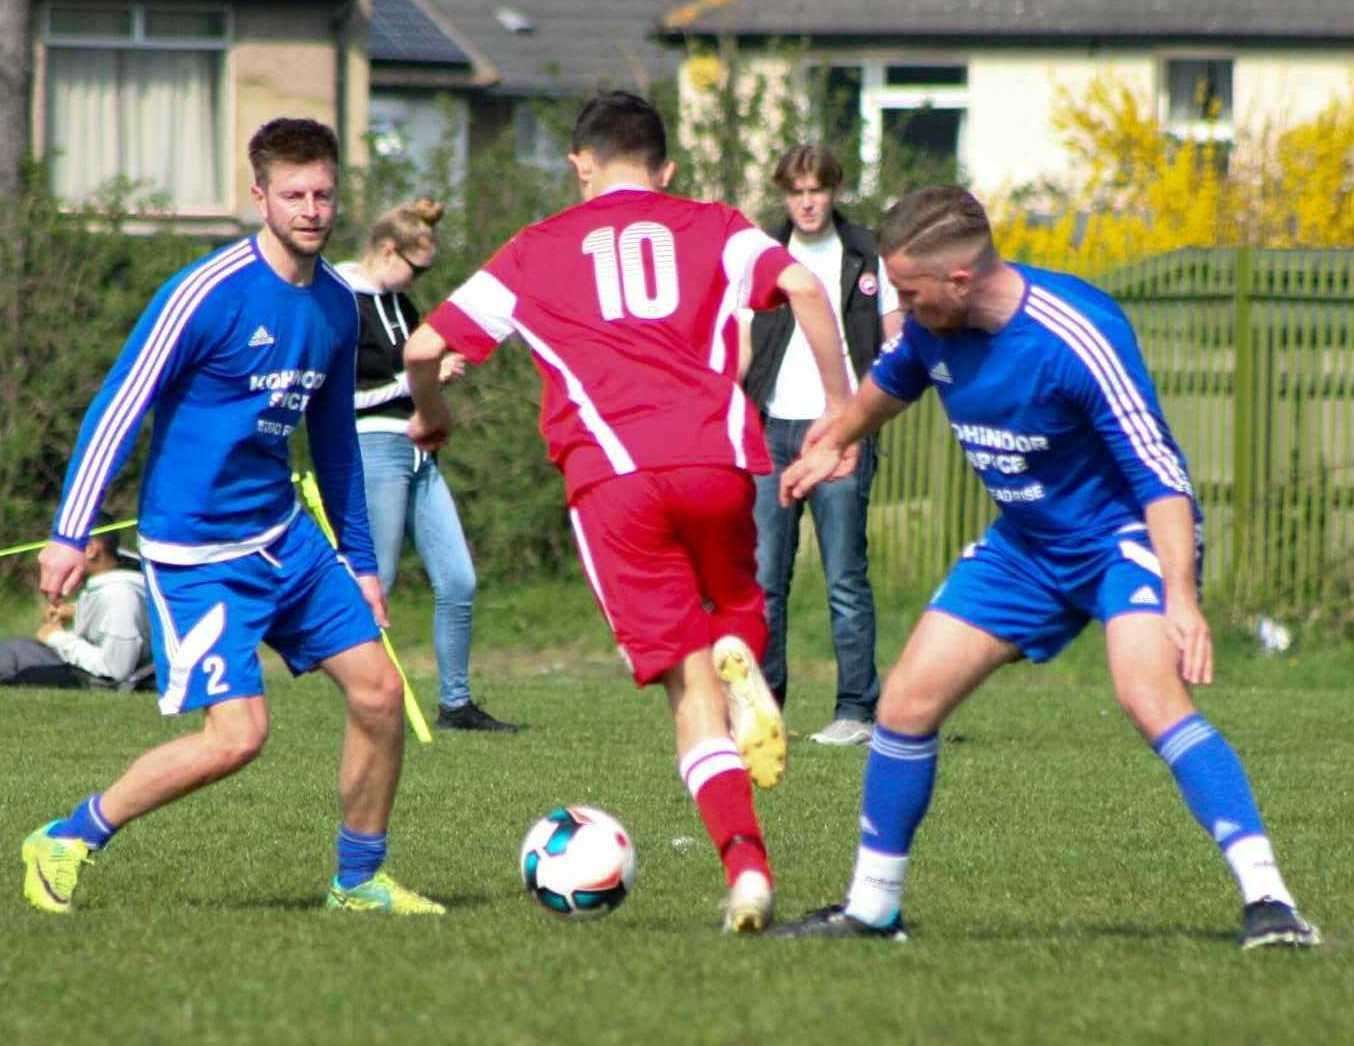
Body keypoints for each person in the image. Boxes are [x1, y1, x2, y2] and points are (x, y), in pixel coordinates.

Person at [769, 186, 1320, 949]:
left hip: (1124, 535)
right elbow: (886, 387)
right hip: (1028, 544)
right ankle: (871, 909)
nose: (899, 306)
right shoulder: (934, 329)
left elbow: (1159, 474)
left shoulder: (1077, 335)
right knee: (905, 703)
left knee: (1147, 694)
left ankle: (1272, 903)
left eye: (908, 292)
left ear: (958, 281)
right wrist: (836, 439)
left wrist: (1183, 598)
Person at [399, 90, 855, 933]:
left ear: (579, 163)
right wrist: (839, 413)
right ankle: (742, 657)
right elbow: (806, 290)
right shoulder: (715, 224)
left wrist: (431, 412)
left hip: (616, 476)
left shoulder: (538, 248)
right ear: (666, 167)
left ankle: (749, 872)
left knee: (689, 693)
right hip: (722, 460)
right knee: (737, 624)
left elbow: (423, 345)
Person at [22, 117, 442, 917]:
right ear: (260, 196)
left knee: (381, 694)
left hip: (289, 536)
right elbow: (120, 405)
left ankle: (358, 883)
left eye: (323, 193)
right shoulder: (204, 293)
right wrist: (70, 533)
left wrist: (359, 561)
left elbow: (336, 444)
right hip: (201, 552)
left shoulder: (338, 307)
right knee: (238, 738)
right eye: (293, 195)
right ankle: (67, 837)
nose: (311, 209)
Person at [742, 144, 902, 745]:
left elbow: (893, 343)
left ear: (833, 192)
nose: (807, 203)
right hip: (772, 433)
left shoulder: (866, 255)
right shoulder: (762, 256)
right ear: (785, 196)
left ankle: (856, 711)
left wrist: (858, 422)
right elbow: (743, 346)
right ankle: (764, 710)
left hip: (839, 435)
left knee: (844, 577)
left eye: (817, 191)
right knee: (763, 581)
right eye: (796, 192)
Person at [337, 199, 517, 733]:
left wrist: (433, 381)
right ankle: (364, 697)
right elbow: (341, 400)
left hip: (419, 451)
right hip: (376, 448)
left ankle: (456, 705)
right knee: (379, 579)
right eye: (417, 269)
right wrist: (419, 379)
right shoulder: (342, 302)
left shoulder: (403, 306)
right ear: (388, 251)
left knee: (458, 579)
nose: (420, 280)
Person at [0, 522, 151, 691]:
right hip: (82, 669)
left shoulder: (121, 595)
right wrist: (77, 611)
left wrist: (56, 637)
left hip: (95, 681)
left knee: (16, 659)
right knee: (13, 648)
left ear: (91, 549)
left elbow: (116, 671)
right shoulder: (116, 580)